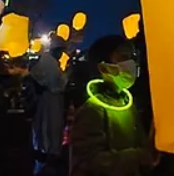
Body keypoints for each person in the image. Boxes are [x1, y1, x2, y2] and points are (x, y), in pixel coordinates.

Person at [70, 35, 156, 176]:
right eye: (123, 57)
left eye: (132, 57)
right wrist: (138, 157)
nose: (131, 63)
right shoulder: (92, 110)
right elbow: (88, 162)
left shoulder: (127, 104)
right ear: (104, 67)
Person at [30, 36, 68, 173]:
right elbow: (55, 83)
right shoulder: (49, 62)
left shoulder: (48, 61)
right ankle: (49, 152)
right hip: (50, 98)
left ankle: (46, 150)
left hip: (49, 98)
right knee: (50, 124)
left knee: (47, 124)